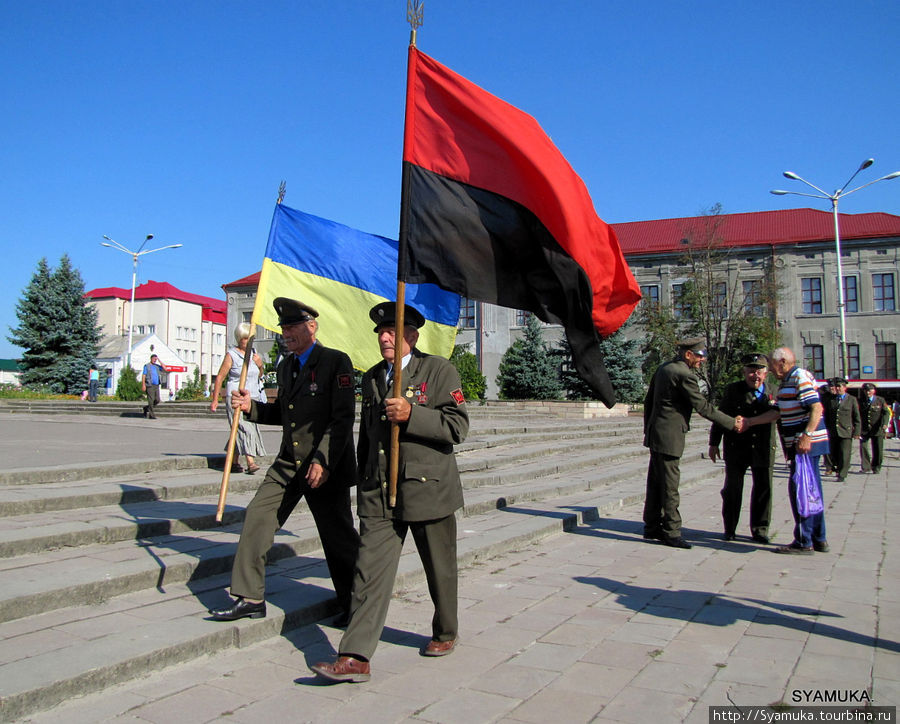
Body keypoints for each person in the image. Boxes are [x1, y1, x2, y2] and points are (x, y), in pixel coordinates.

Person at [311, 301, 469, 683]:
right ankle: (355, 657)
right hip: (380, 492)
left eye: (392, 332)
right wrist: (363, 479)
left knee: (440, 569)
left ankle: (446, 631)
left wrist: (413, 414)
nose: (384, 337)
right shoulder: (373, 378)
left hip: (427, 489)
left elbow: (457, 426)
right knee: (369, 573)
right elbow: (367, 436)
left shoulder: (438, 370)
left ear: (411, 337)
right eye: (380, 332)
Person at [208, 298, 359, 623]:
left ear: (312, 327)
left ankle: (356, 604)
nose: (287, 333)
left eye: (293, 327)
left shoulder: (335, 362)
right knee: (258, 518)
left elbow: (342, 418)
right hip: (289, 463)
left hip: (325, 465)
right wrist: (252, 407)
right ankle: (249, 596)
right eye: (284, 328)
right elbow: (285, 413)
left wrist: (323, 459)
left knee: (339, 539)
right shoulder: (286, 367)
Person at [642, 338, 741, 549]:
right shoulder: (684, 374)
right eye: (700, 356)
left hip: (657, 432)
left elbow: (648, 401)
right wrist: (732, 423)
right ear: (688, 354)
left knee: (656, 482)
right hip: (670, 435)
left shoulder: (664, 368)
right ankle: (672, 531)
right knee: (670, 485)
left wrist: (648, 430)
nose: (702, 360)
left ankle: (651, 526)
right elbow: (703, 407)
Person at [746, 347, 829, 554]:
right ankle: (819, 538)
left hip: (805, 446)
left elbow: (816, 407)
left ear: (782, 361)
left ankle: (804, 540)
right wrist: (750, 422)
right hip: (802, 445)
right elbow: (778, 412)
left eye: (771, 366)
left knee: (801, 490)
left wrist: (807, 435)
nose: (770, 371)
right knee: (812, 490)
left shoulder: (798, 377)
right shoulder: (789, 381)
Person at [708, 353, 776, 543]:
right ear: (744, 372)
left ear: (766, 373)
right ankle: (729, 528)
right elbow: (721, 416)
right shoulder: (733, 390)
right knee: (732, 490)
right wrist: (714, 443)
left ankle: (760, 530)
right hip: (736, 446)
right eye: (751, 372)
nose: (755, 376)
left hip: (763, 447)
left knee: (764, 489)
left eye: (759, 372)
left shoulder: (774, 391)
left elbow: (782, 418)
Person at [210, 323, 267, 474]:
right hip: (235, 397)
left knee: (238, 430)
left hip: (252, 398)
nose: (248, 342)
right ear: (239, 339)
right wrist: (215, 400)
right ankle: (251, 462)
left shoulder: (254, 353)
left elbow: (259, 375)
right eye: (244, 339)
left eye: (250, 338)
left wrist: (260, 366)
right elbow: (220, 377)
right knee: (245, 428)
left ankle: (234, 462)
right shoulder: (232, 355)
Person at [822, 377, 860, 482]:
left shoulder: (851, 399)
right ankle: (838, 469)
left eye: (839, 387)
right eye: (836, 386)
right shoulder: (831, 399)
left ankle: (842, 473)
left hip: (846, 431)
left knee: (845, 453)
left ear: (844, 388)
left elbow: (856, 417)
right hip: (833, 431)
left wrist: (857, 431)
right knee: (834, 453)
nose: (837, 389)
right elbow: (827, 415)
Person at [858, 383, 890, 474]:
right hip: (864, 429)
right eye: (866, 391)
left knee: (878, 449)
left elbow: (886, 413)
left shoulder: (880, 400)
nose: (868, 392)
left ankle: (876, 466)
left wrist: (884, 424)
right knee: (863, 447)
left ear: (873, 391)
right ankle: (866, 466)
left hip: (877, 428)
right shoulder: (861, 400)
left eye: (870, 390)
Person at [141, 354, 167, 419]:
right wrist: (143, 385)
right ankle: (151, 415)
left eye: (156, 359)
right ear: (151, 358)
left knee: (157, 400)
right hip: (149, 385)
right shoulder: (147, 366)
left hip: (156, 385)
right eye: (154, 359)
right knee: (151, 400)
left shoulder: (157, 366)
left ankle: (146, 408)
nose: (155, 360)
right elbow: (144, 375)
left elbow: (165, 368)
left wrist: (159, 360)